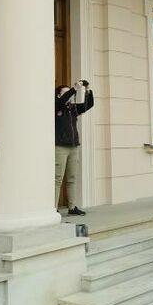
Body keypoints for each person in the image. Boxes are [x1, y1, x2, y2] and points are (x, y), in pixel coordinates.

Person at [55, 81, 94, 216]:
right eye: (65, 93)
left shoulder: (72, 109)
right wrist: (73, 89)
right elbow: (61, 102)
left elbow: (88, 105)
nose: (69, 94)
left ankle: (72, 207)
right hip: (60, 147)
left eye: (70, 92)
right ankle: (53, 209)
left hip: (73, 147)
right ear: (59, 95)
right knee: (57, 178)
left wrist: (88, 90)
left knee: (72, 178)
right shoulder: (56, 105)